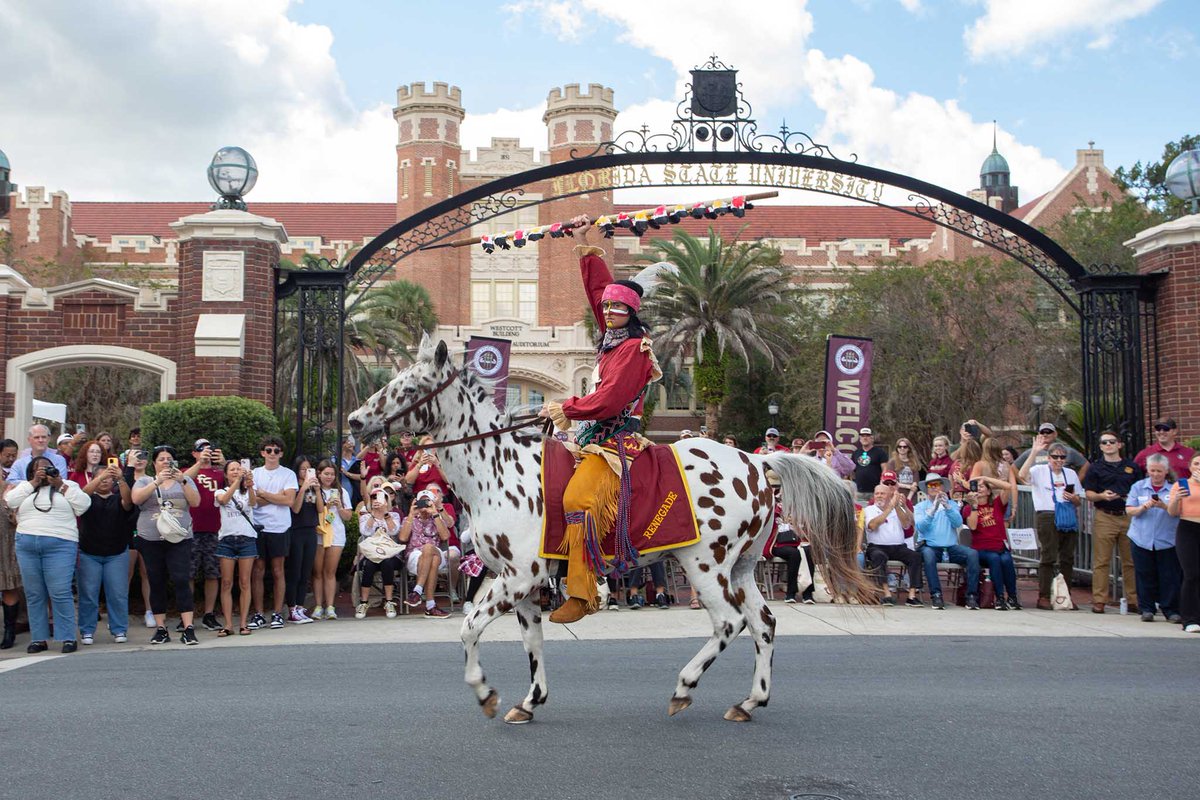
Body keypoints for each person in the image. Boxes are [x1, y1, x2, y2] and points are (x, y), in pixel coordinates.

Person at [538, 214, 660, 624]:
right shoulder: (613, 339)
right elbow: (597, 290)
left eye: (617, 307)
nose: (607, 311)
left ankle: (583, 593)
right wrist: (582, 240)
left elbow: (609, 401)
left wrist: (567, 407)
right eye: (606, 306)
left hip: (614, 442)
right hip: (589, 437)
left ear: (632, 311)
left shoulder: (635, 349)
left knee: (578, 500)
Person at [8, 456, 91, 653]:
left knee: (60, 592)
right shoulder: (25, 487)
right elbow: (10, 501)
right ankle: (38, 639)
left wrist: (60, 485)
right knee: (34, 594)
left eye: (48, 468)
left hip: (60, 545)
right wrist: (34, 483)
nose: (45, 471)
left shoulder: (68, 485)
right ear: (31, 472)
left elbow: (83, 505)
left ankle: (67, 637)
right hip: (27, 544)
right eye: (40, 469)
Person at [131, 446, 202, 645]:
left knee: (181, 579)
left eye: (169, 459)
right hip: (151, 539)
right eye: (161, 459)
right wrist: (157, 481)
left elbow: (195, 502)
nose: (165, 462)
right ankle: (161, 628)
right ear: (154, 463)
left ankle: (188, 627)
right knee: (156, 581)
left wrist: (183, 480)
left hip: (179, 538)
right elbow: (136, 499)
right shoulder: (145, 480)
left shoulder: (185, 480)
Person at [1082, 430, 1144, 614]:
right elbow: (1089, 493)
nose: (1108, 445)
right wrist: (1102, 495)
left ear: (1119, 444)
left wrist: (1131, 500)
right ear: (1100, 447)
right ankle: (1099, 600)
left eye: (1112, 441)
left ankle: (1134, 599)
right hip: (1105, 515)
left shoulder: (1132, 467)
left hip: (1128, 516)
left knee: (1130, 561)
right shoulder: (1095, 468)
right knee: (1101, 561)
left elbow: (1141, 490)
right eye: (1104, 442)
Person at [78, 461, 138, 644]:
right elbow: (81, 495)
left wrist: (120, 478)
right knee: (88, 593)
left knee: (118, 593)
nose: (105, 481)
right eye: (101, 477)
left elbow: (128, 502)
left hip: (117, 553)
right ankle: (87, 630)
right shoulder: (87, 498)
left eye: (108, 478)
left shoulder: (117, 498)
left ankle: (119, 629)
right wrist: (100, 477)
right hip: (89, 553)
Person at [1021, 443, 1084, 610]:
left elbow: (1078, 500)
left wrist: (1072, 498)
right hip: (1047, 515)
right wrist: (1034, 452)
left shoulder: (1070, 474)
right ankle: (1044, 596)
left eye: (1062, 457)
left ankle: (1065, 595)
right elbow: (1022, 475)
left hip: (1067, 514)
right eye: (1055, 457)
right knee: (1048, 556)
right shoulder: (1039, 471)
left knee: (1067, 558)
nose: (1058, 460)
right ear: (1048, 458)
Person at [1126, 454, 1182, 623]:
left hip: (1167, 539)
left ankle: (1170, 610)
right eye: (1152, 471)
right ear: (1148, 470)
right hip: (1141, 538)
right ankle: (1147, 608)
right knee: (1144, 574)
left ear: (1166, 471)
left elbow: (1178, 512)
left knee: (1169, 576)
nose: (1156, 474)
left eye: (1159, 471)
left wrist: (1163, 506)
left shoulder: (1174, 488)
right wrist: (1144, 506)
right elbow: (1129, 510)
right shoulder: (1138, 487)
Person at [250, 438, 298, 630]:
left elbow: (289, 501)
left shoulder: (288, 474)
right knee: (257, 571)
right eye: (268, 450)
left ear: (281, 453)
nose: (272, 453)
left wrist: (264, 494)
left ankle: (277, 613)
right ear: (262, 453)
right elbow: (253, 502)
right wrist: (275, 496)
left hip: (279, 527)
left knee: (278, 570)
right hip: (258, 526)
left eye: (276, 451)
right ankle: (259, 613)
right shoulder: (254, 473)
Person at [913, 473, 980, 610]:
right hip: (929, 545)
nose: (934, 488)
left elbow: (958, 523)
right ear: (926, 489)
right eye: (930, 485)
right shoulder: (920, 507)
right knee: (929, 556)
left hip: (950, 547)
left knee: (972, 554)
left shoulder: (952, 504)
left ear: (942, 487)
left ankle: (971, 596)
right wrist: (933, 509)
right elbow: (921, 527)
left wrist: (947, 507)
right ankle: (936, 595)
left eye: (937, 484)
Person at [184, 439, 226, 631]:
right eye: (201, 450)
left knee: (212, 573)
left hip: (214, 529)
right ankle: (187, 614)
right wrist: (200, 463)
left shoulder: (219, 473)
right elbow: (182, 480)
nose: (206, 453)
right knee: (188, 574)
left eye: (209, 449)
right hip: (190, 529)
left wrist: (224, 464)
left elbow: (235, 482)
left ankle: (209, 614)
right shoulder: (189, 469)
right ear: (194, 453)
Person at [963, 475, 1020, 610]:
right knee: (994, 559)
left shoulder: (997, 504)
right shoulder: (968, 508)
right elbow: (973, 526)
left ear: (989, 491)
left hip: (1000, 546)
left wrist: (985, 478)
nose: (979, 489)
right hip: (982, 548)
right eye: (976, 487)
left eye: (982, 487)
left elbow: (1008, 487)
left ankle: (1012, 597)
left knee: (1006, 560)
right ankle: (999, 597)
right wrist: (974, 506)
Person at [215, 459, 259, 636]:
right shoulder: (220, 491)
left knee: (244, 582)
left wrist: (249, 486)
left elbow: (254, 503)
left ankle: (243, 623)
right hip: (226, 539)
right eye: (232, 470)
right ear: (225, 474)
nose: (236, 472)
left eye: (239, 469)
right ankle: (227, 624)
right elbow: (224, 500)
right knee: (226, 583)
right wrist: (236, 482)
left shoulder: (248, 490)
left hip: (247, 539)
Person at [861, 484, 922, 606]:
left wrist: (898, 506)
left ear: (889, 495)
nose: (879, 496)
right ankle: (887, 594)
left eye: (882, 493)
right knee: (878, 557)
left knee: (916, 557)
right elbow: (872, 526)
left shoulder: (897, 509)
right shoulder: (869, 510)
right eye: (877, 493)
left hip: (898, 547)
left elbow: (906, 524)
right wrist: (889, 508)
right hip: (877, 546)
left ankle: (912, 595)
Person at [400, 489, 452, 618]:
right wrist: (411, 515)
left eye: (427, 502)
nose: (424, 505)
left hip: (436, 551)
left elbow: (445, 536)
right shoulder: (409, 518)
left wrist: (434, 513)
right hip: (415, 556)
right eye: (421, 502)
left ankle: (417, 590)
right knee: (432, 560)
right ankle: (430, 606)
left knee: (429, 548)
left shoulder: (437, 518)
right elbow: (403, 538)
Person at [763, 472, 814, 604]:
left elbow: (807, 527)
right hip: (776, 543)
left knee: (809, 551)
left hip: (797, 540)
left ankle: (808, 593)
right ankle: (791, 593)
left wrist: (796, 522)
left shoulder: (799, 506)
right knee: (794, 554)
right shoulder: (771, 502)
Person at [312, 459, 352, 620]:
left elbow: (348, 516)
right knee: (317, 572)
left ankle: (330, 606)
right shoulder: (314, 491)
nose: (329, 477)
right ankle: (317, 605)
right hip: (319, 533)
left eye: (332, 474)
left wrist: (339, 507)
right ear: (319, 474)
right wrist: (324, 502)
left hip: (336, 534)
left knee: (330, 571)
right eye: (326, 473)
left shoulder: (341, 492)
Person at [1166, 453, 1200, 633]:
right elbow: (1172, 512)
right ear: (1190, 466)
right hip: (1188, 528)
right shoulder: (1182, 484)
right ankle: (1189, 618)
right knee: (1191, 573)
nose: (1199, 466)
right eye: (1196, 463)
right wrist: (1177, 498)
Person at [355, 488, 401, 619]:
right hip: (371, 554)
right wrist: (374, 514)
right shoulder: (365, 516)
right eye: (374, 497)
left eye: (380, 497)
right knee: (370, 564)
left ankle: (389, 601)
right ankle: (363, 602)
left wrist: (385, 513)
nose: (377, 500)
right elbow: (365, 532)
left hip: (390, 554)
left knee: (386, 562)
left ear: (387, 500)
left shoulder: (394, 515)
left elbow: (394, 531)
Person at [285, 455, 320, 624]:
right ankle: (291, 608)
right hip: (296, 531)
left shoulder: (313, 488)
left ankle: (300, 606)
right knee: (294, 571)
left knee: (306, 571)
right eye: (303, 469)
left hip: (310, 531)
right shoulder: (293, 486)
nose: (306, 472)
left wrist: (317, 490)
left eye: (309, 469)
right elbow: (296, 509)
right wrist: (303, 487)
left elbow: (319, 508)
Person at [124, 447, 155, 629]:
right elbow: (126, 497)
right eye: (136, 456)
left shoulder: (151, 479)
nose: (140, 459)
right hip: (128, 530)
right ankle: (121, 611)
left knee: (147, 573)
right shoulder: (125, 477)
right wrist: (128, 467)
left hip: (148, 529)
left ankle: (150, 610)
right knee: (126, 573)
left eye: (144, 456)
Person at [0, 438, 23, 649]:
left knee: (10, 584)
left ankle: (10, 631)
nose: (10, 458)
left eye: (13, 454)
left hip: (10, 537)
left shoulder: (19, 473)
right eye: (7, 454)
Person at [1014, 423, 1088, 480]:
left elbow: (1086, 465)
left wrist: (1076, 482)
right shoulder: (1031, 453)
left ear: (1055, 434)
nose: (1045, 435)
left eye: (1048, 432)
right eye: (1042, 432)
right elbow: (1014, 468)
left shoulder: (1068, 451)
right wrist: (1024, 483)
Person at [851, 427, 888, 501]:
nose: (865, 438)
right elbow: (852, 470)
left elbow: (885, 469)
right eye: (862, 436)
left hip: (875, 491)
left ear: (872, 438)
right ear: (860, 438)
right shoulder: (856, 453)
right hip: (859, 491)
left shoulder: (880, 452)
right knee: (859, 511)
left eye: (867, 436)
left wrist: (881, 485)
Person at [887, 436, 924, 502]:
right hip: (896, 496)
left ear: (908, 448)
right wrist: (909, 487)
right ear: (897, 448)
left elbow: (915, 482)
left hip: (912, 497)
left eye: (905, 447)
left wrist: (909, 498)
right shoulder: (892, 462)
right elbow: (891, 481)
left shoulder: (914, 462)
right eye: (900, 446)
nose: (902, 448)